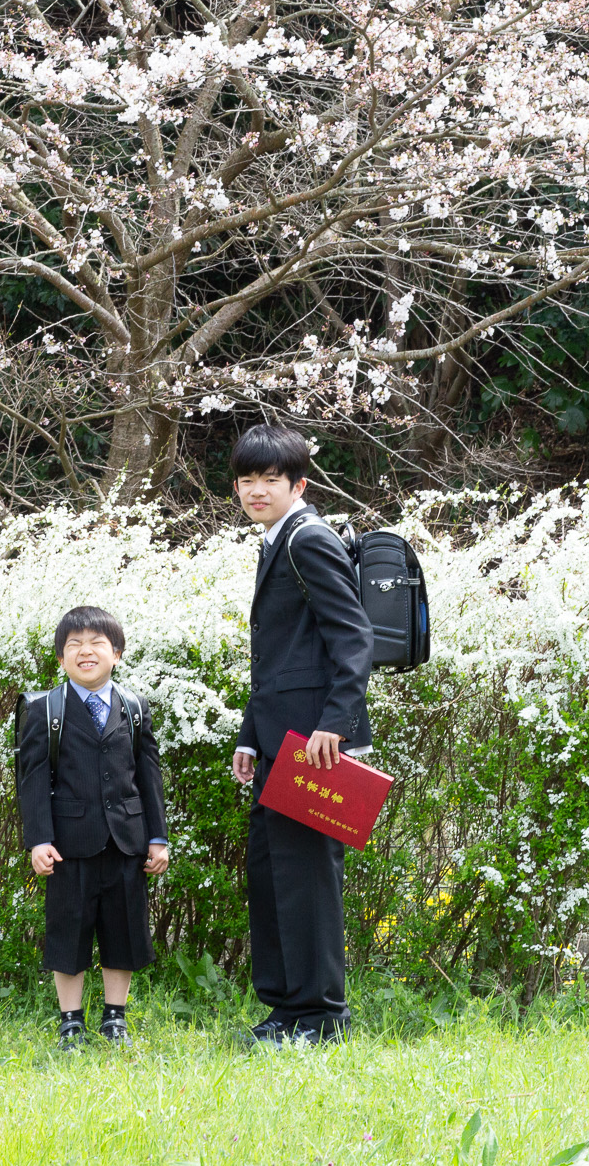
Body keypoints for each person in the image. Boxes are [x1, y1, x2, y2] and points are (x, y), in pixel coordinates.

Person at [230, 424, 375, 1045]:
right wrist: (248, 735)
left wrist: (333, 725)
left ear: (299, 485)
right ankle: (287, 1009)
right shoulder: (277, 539)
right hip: (279, 740)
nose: (256, 491)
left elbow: (354, 638)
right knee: (273, 876)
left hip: (314, 746)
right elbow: (278, 658)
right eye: (247, 480)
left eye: (270, 479)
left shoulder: (307, 538)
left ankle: (321, 1016)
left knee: (308, 879)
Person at [16, 605, 171, 1050]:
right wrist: (39, 840)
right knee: (68, 931)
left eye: (96, 643)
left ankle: (114, 1017)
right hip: (68, 845)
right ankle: (70, 1021)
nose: (86, 651)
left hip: (126, 841)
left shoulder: (134, 707)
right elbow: (32, 781)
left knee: (123, 929)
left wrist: (157, 837)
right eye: (74, 645)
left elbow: (149, 777)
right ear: (61, 658)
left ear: (116, 653)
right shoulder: (45, 709)